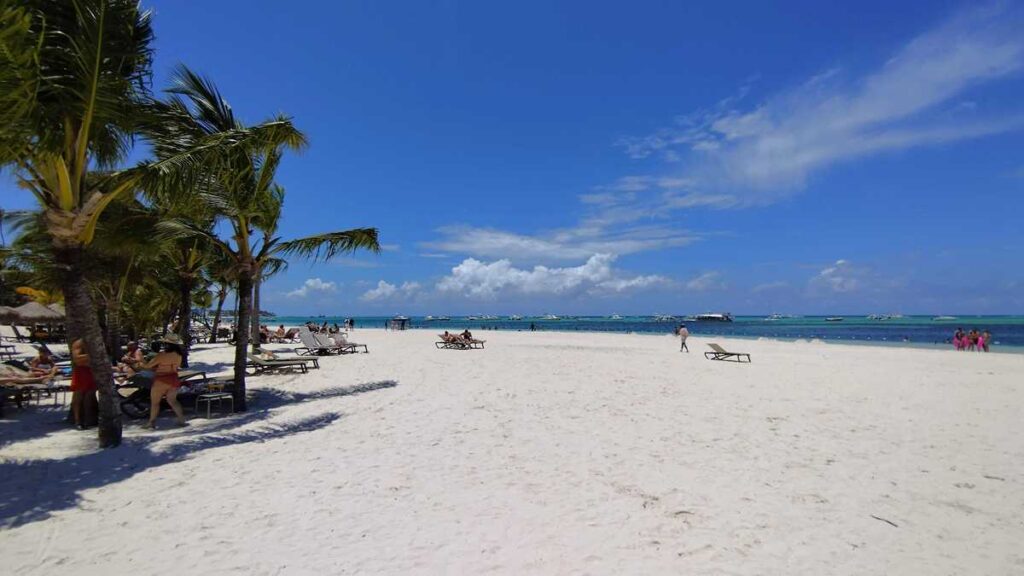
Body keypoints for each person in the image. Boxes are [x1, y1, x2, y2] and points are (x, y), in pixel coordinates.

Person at [140, 334, 187, 429]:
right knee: (173, 401)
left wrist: (140, 362)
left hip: (161, 379)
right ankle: (182, 420)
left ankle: (151, 422)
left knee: (155, 403)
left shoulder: (162, 355)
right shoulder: (179, 355)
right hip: (174, 379)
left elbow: (147, 366)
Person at [69, 339, 99, 429]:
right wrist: (92, 356)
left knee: (89, 396)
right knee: (78, 397)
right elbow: (76, 359)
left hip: (92, 371)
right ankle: (77, 421)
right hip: (81, 371)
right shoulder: (79, 343)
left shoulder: (97, 341)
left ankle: (88, 420)